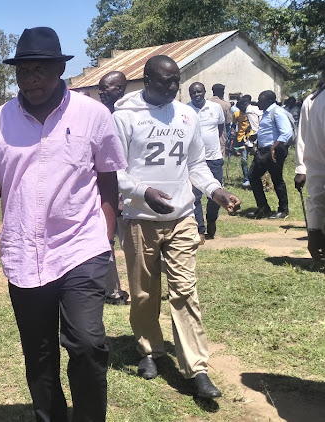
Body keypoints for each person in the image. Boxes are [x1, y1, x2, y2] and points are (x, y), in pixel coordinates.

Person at [0, 27, 127, 422]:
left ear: (59, 69)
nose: (31, 77)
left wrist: (104, 238)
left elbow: (108, 179)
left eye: (41, 69)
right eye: (24, 70)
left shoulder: (93, 116)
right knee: (38, 352)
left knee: (87, 344)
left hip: (80, 247)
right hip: (23, 253)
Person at [112, 55, 240, 399]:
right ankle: (150, 350)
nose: (174, 87)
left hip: (182, 216)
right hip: (141, 219)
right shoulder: (124, 117)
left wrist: (216, 191)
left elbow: (196, 163)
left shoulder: (186, 115)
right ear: (147, 80)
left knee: (185, 290)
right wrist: (143, 192)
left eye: (177, 81)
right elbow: (114, 171)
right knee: (143, 292)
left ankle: (196, 367)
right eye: (167, 81)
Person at [98, 70, 131, 306]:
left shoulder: (127, 117)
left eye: (105, 88)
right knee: (104, 241)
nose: (100, 92)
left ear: (119, 89)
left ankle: (164, 281)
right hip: (104, 193)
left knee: (132, 246)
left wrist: (121, 194)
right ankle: (113, 291)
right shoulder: (101, 116)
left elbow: (127, 162)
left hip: (127, 193)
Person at [245, 90, 293, 219]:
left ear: (269, 101)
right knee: (253, 176)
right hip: (263, 151)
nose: (258, 102)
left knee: (277, 179)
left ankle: (283, 210)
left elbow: (287, 133)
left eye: (261, 100)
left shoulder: (277, 112)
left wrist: (273, 147)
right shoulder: (266, 113)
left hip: (274, 151)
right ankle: (263, 208)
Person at [188, 82, 226, 240]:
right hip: (194, 160)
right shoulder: (186, 109)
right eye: (193, 93)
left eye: (199, 92)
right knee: (194, 196)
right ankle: (200, 229)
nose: (196, 95)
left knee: (216, 194)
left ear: (204, 92)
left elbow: (220, 128)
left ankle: (212, 221)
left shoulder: (215, 108)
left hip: (214, 158)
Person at [301, 63, 325, 263]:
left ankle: (316, 235)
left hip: (317, 168)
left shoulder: (314, 100)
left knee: (317, 197)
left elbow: (305, 142)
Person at [208, 83, 233, 154]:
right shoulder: (226, 105)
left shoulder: (206, 102)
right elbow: (228, 122)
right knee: (219, 155)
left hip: (206, 134)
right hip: (220, 134)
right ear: (222, 92)